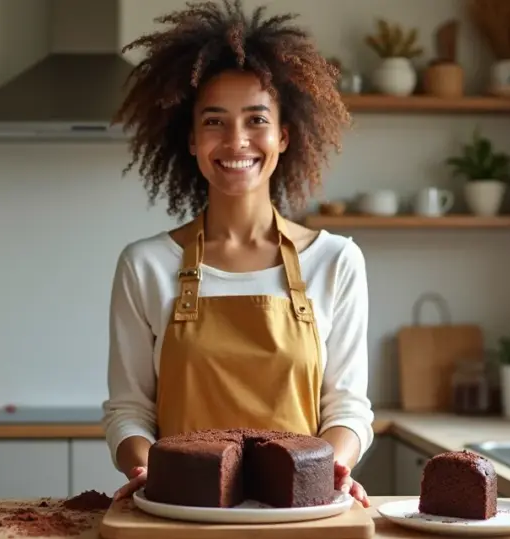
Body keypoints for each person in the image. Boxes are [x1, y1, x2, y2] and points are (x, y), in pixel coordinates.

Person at [101, 0, 374, 508]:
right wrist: (146, 466)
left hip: (299, 516)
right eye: (214, 122)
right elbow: (129, 410)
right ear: (190, 139)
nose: (236, 140)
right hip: (182, 513)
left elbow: (347, 408)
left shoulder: (335, 261)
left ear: (283, 136)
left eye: (256, 120)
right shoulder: (145, 266)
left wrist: (331, 467)